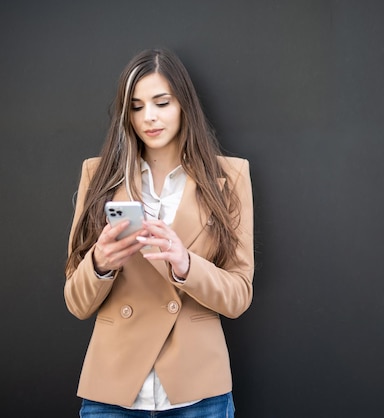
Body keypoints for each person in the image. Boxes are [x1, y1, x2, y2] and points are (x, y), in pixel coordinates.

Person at [64, 48, 254, 417]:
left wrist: (185, 265)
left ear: (183, 104)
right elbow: (76, 301)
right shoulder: (98, 175)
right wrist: (100, 263)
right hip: (113, 391)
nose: (148, 117)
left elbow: (238, 295)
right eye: (135, 107)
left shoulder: (230, 178)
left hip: (198, 391)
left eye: (161, 102)